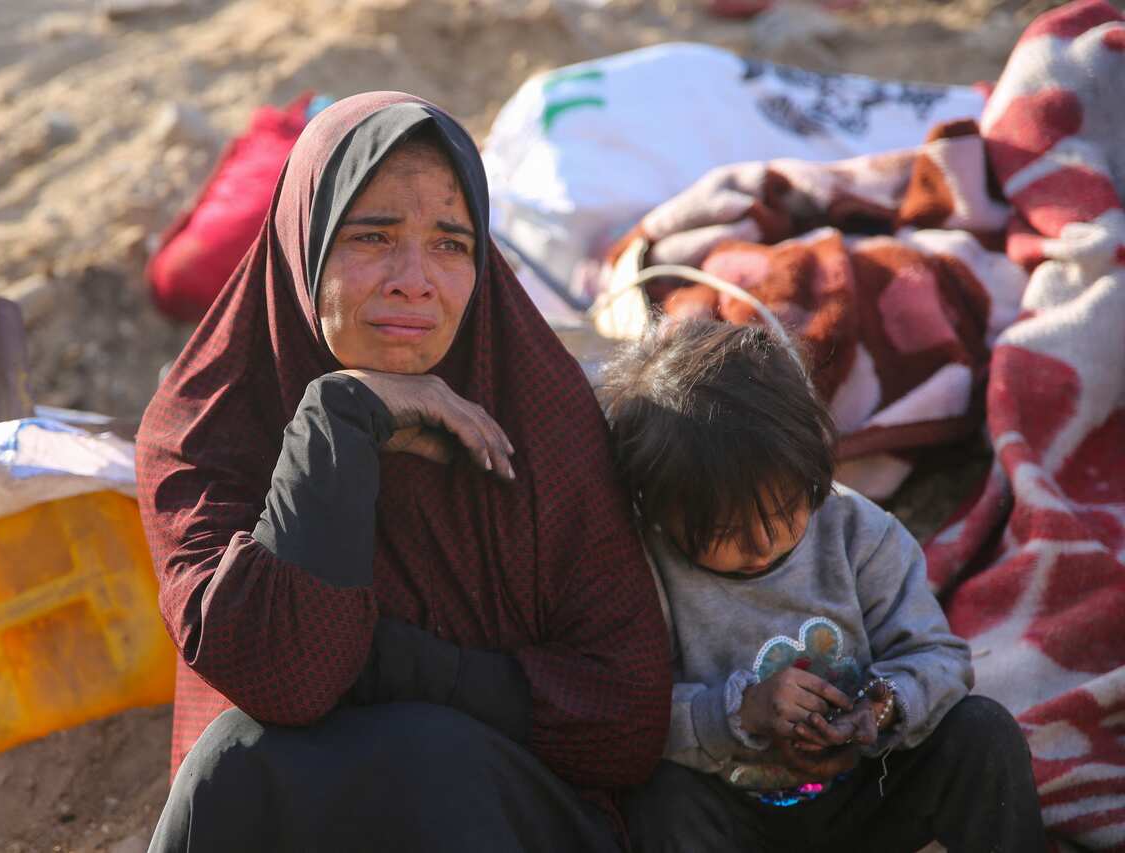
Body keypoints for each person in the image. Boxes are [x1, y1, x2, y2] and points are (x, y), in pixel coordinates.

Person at [134, 91, 672, 852]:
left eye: (451, 243)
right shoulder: (204, 428)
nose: (414, 279)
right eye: (374, 236)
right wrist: (340, 418)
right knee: (234, 762)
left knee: (427, 758)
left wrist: (384, 663)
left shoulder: (538, 416)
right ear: (304, 243)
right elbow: (284, 676)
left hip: (503, 815)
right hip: (282, 813)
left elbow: (623, 718)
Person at [599, 318, 1044, 852]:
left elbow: (940, 659)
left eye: (786, 509)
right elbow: (628, 713)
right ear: (660, 513)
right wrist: (740, 712)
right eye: (724, 532)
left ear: (811, 467)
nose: (763, 542)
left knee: (983, 732)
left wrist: (881, 708)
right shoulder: (646, 570)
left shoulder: (860, 534)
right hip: (733, 814)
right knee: (662, 800)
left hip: (861, 796)